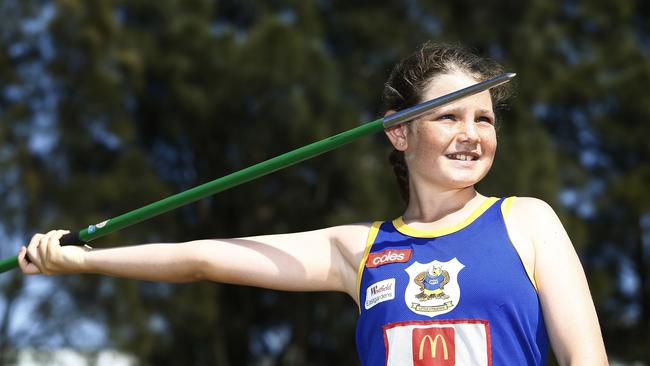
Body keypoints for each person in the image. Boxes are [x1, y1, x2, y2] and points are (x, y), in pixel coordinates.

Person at [17, 42, 608, 365]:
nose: (471, 133)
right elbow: (203, 258)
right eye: (447, 115)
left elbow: (587, 360)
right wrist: (84, 260)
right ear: (399, 133)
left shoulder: (527, 221)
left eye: (483, 118)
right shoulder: (359, 249)